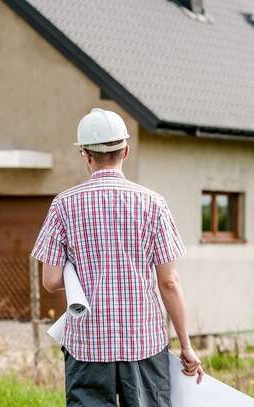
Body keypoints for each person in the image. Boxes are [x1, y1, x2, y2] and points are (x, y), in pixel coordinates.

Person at [32, 108, 203, 407]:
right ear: (125, 150)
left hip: (87, 345)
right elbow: (170, 282)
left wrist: (78, 267)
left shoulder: (63, 205)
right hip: (143, 343)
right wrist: (186, 346)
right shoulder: (153, 204)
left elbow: (50, 280)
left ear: (85, 155)